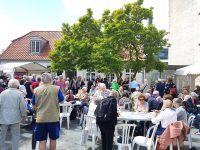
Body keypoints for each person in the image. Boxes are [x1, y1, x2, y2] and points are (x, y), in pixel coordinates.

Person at [32, 73, 64, 150]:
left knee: (42, 141)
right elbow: (62, 101)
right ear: (50, 80)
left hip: (41, 118)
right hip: (53, 118)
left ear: (42, 80)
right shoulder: (56, 88)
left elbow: (33, 105)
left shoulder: (36, 90)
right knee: (53, 139)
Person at [0, 79, 27, 150]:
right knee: (15, 135)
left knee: (2, 134)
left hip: (3, 117)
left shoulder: (3, 93)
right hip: (15, 117)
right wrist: (24, 115)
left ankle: (1, 148)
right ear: (17, 85)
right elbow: (22, 106)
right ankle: (15, 148)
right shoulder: (19, 93)